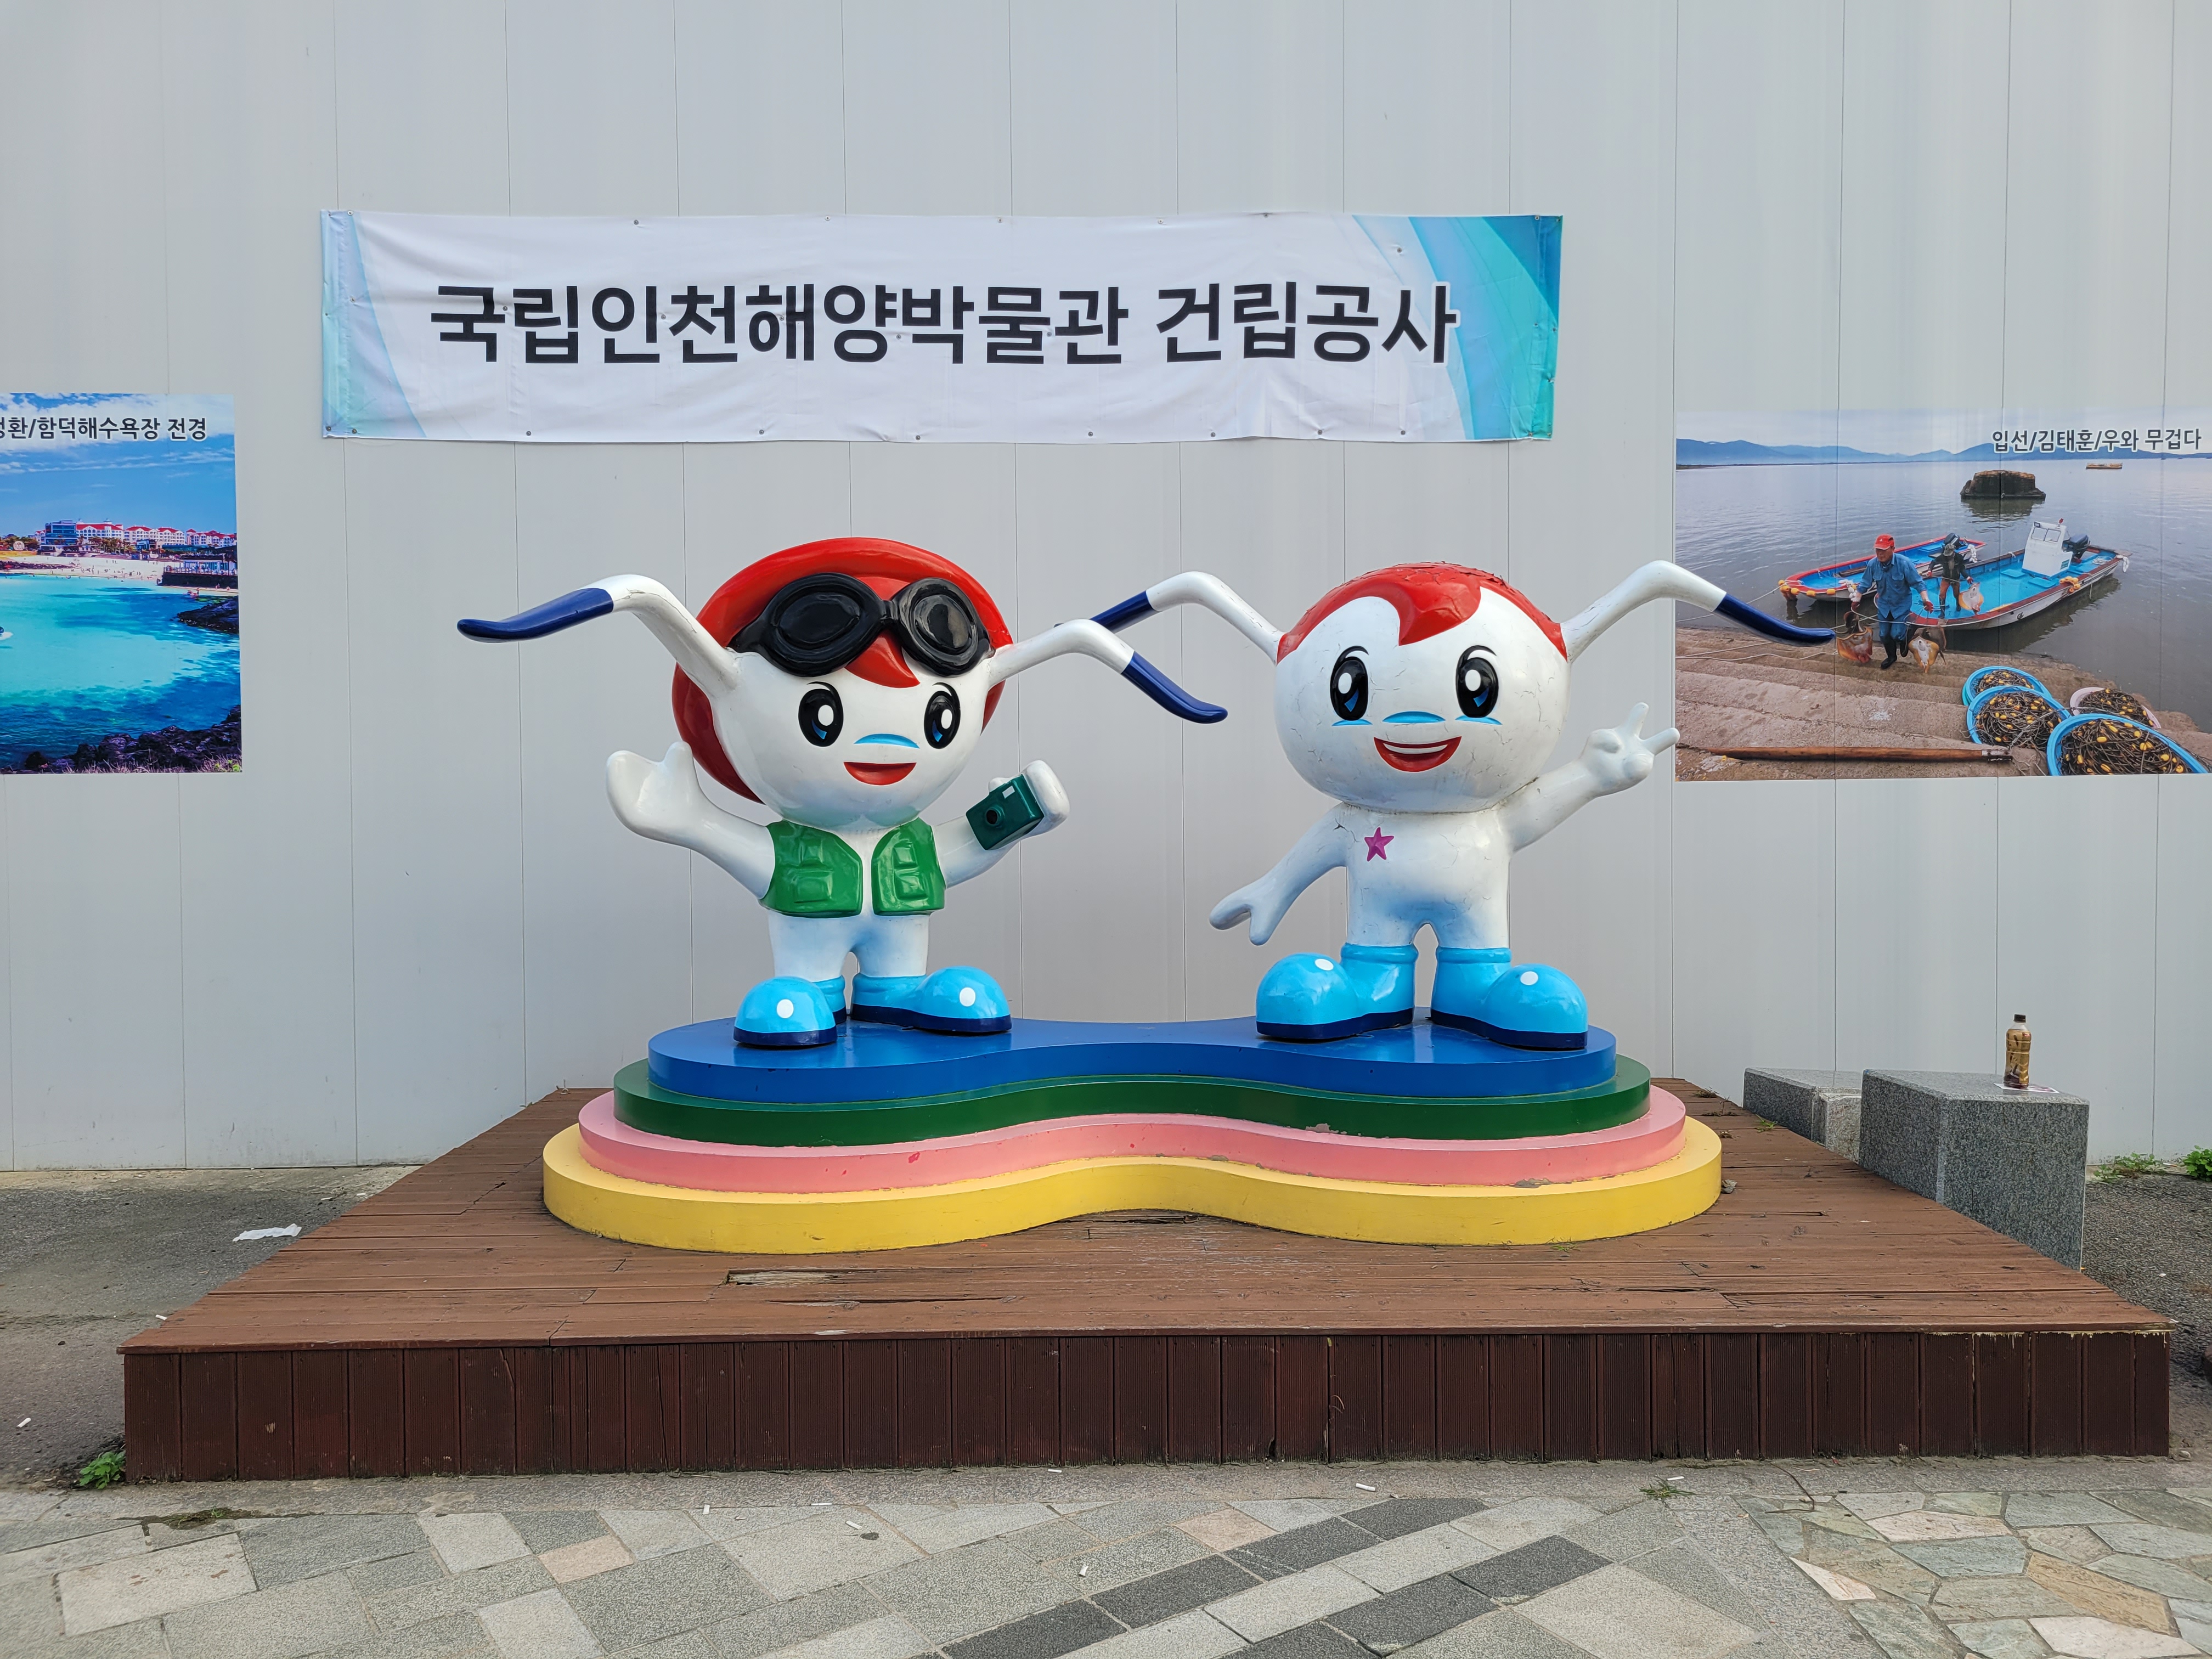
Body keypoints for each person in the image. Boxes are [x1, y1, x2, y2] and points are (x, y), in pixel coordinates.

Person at [1861, 533, 1929, 670]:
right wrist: (1857, 598)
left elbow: (1918, 583)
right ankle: (1892, 657)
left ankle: (1906, 635)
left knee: (1896, 634)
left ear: (1893, 549)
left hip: (1901, 605)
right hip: (1884, 605)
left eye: (1884, 550)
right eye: (1877, 550)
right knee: (1884, 635)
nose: (1880, 554)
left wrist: (1925, 599)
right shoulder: (1873, 564)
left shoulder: (1904, 563)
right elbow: (1865, 582)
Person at [1932, 533, 1968, 616]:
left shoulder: (1959, 558)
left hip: (1956, 579)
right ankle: (1942, 612)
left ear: (1953, 552)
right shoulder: (1942, 557)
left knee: (1956, 594)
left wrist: (1967, 577)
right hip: (1946, 579)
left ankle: (1958, 605)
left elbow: (1962, 569)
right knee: (1942, 595)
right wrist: (1929, 570)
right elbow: (1933, 562)